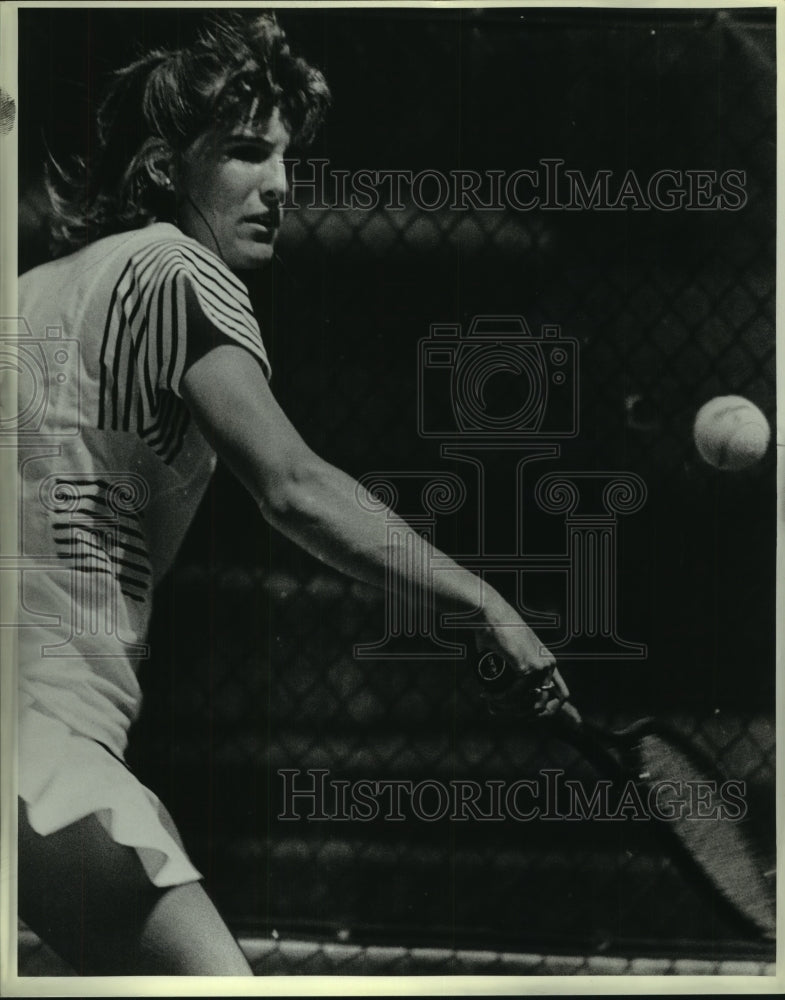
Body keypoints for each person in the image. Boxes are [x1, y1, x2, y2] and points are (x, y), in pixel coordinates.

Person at [16, 11, 569, 976]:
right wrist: (483, 602)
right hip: (37, 733)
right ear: (165, 168)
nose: (279, 185)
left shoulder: (30, 293)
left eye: (286, 157)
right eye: (245, 152)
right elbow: (294, 485)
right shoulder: (179, 268)